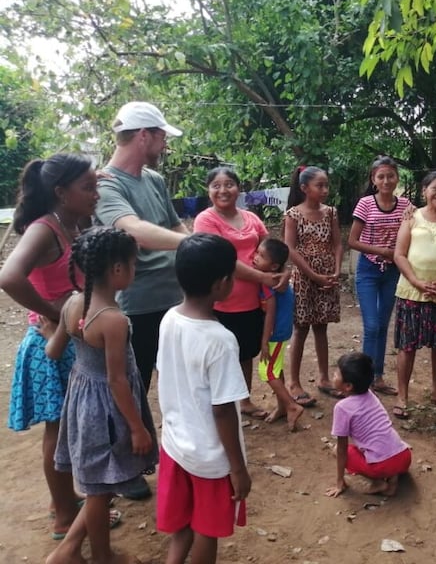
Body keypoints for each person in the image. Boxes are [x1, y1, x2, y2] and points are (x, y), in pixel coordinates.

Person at [44, 227, 157, 563]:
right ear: (118, 269)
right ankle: (103, 557)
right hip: (109, 413)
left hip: (82, 403)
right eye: (134, 264)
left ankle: (68, 552)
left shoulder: (73, 304)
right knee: (99, 492)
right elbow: (117, 380)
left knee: (99, 485)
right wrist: (137, 427)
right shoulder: (113, 320)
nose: (134, 271)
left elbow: (53, 351)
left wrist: (50, 330)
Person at [0, 154, 97, 538]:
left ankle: (68, 500)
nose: (96, 193)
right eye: (88, 187)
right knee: (59, 432)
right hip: (52, 343)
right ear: (60, 192)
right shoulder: (45, 229)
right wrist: (53, 312)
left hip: (74, 339)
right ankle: (62, 514)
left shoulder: (72, 223)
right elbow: (9, 277)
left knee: (71, 429)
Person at [94, 101, 188, 499]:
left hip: (173, 297)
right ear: (145, 135)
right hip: (136, 303)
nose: (165, 143)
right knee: (132, 384)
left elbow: (172, 224)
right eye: (162, 135)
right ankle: (125, 467)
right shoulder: (105, 185)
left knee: (176, 378)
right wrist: (195, 243)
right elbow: (133, 230)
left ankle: (176, 449)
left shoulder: (154, 180)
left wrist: (188, 250)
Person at [156, 234, 251, 563]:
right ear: (222, 283)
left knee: (181, 527)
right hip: (210, 459)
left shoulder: (169, 319)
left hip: (174, 444)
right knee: (206, 533)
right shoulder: (221, 340)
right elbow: (223, 411)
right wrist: (237, 469)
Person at [194, 167, 289, 420]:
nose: (223, 190)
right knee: (218, 356)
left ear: (238, 188)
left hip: (253, 302)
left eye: (229, 184)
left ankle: (244, 400)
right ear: (208, 190)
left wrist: (283, 272)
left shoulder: (251, 218)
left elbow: (273, 250)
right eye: (216, 185)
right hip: (219, 302)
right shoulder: (205, 220)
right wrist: (263, 277)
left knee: (245, 353)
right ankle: (217, 406)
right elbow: (221, 260)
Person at [392, 171, 436, 420]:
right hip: (411, 290)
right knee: (407, 345)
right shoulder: (412, 216)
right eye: (435, 188)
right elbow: (399, 254)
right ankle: (402, 395)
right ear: (424, 190)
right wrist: (417, 281)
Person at [348, 156, 411, 395]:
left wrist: (397, 255)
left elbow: (410, 235)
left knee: (383, 325)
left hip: (393, 271)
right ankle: (362, 378)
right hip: (368, 269)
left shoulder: (406, 205)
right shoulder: (365, 204)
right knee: (372, 325)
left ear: (397, 178)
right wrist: (382, 251)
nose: (386, 180)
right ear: (373, 179)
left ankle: (378, 376)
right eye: (381, 176)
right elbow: (352, 241)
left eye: (390, 176)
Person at [284, 166, 343, 406]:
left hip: (328, 276)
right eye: (320, 185)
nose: (325, 190)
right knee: (301, 329)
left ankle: (323, 378)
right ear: (304, 188)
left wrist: (336, 269)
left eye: (326, 185)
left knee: (321, 327)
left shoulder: (331, 213)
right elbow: (290, 249)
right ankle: (293, 382)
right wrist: (314, 275)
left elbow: (338, 244)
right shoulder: (293, 214)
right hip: (304, 279)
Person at [324, 353, 412, 498]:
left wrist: (340, 481)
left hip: (382, 465)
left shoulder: (342, 408)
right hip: (404, 456)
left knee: (336, 450)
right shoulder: (371, 394)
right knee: (379, 447)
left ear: (348, 386)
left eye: (337, 373)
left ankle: (378, 482)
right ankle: (393, 479)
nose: (333, 374)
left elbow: (341, 449)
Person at [253, 238, 305, 431]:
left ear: (274, 265)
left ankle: (292, 405)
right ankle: (283, 406)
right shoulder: (275, 276)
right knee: (276, 368)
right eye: (257, 253)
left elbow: (271, 311)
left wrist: (265, 340)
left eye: (262, 256)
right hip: (280, 330)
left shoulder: (269, 281)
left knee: (266, 371)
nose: (256, 258)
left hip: (275, 332)